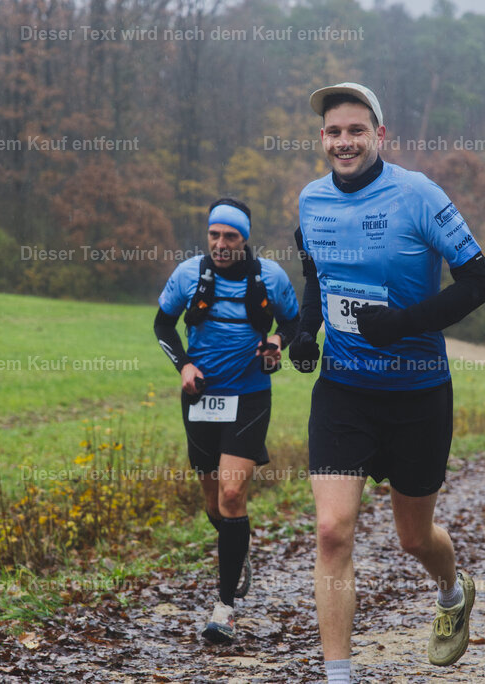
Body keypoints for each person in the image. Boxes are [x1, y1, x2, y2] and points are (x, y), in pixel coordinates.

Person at [288, 82, 485, 683]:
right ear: (322, 138)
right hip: (344, 390)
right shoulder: (311, 200)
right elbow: (314, 274)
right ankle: (339, 676)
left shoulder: (417, 195)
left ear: (379, 135)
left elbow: (481, 282)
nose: (344, 142)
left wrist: (405, 323)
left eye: (356, 130)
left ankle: (452, 592)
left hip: (417, 393)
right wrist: (307, 332)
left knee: (414, 538)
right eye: (334, 132)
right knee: (332, 531)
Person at [154, 197, 300, 644]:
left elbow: (294, 324)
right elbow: (163, 326)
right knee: (214, 504)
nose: (220, 243)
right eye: (214, 234)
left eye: (230, 236)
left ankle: (224, 609)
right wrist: (183, 366)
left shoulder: (270, 278)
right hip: (200, 398)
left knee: (233, 494)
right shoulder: (189, 275)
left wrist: (276, 340)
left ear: (245, 238)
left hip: (250, 396)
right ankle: (236, 549)